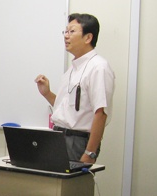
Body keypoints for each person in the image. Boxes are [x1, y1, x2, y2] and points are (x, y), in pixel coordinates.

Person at [34, 13, 115, 164]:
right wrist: (47, 93)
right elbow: (67, 109)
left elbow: (101, 113)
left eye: (72, 31)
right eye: (65, 31)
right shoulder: (72, 69)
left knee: (70, 187)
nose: (66, 36)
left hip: (77, 142)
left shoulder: (99, 67)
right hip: (58, 138)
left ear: (88, 38)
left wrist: (90, 153)